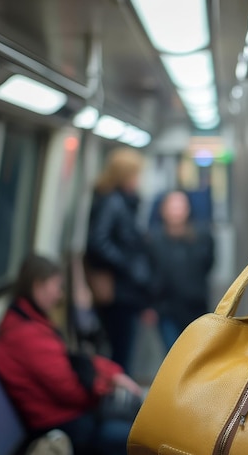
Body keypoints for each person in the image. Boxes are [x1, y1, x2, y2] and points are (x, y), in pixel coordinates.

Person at [0, 254, 143, 455]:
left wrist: (112, 374)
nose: (59, 295)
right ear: (38, 286)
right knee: (139, 438)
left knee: (135, 418)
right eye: (56, 287)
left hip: (68, 416)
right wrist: (103, 388)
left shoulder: (32, 322)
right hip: (61, 425)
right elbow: (69, 390)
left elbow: (71, 360)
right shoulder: (26, 336)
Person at [84, 147, 151, 371]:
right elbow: (98, 242)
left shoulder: (123, 201)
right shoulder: (113, 202)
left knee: (122, 349)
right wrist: (128, 265)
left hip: (124, 289)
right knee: (120, 351)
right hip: (118, 291)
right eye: (135, 175)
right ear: (125, 175)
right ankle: (119, 401)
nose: (138, 180)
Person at [147, 190, 214, 349]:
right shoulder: (153, 240)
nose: (176, 211)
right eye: (172, 207)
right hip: (166, 309)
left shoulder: (202, 237)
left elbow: (208, 264)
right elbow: (149, 274)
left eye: (180, 206)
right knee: (172, 354)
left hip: (195, 307)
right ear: (163, 210)